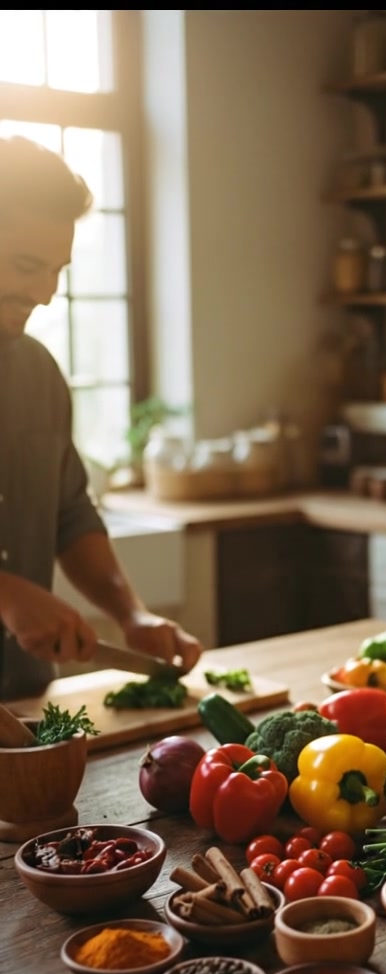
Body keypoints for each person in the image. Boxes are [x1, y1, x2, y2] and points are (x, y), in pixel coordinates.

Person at [0, 135, 202, 699]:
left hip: (25, 701)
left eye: (56, 271)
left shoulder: (39, 374)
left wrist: (131, 613)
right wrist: (6, 593)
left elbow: (70, 515)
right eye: (26, 266)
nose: (44, 293)